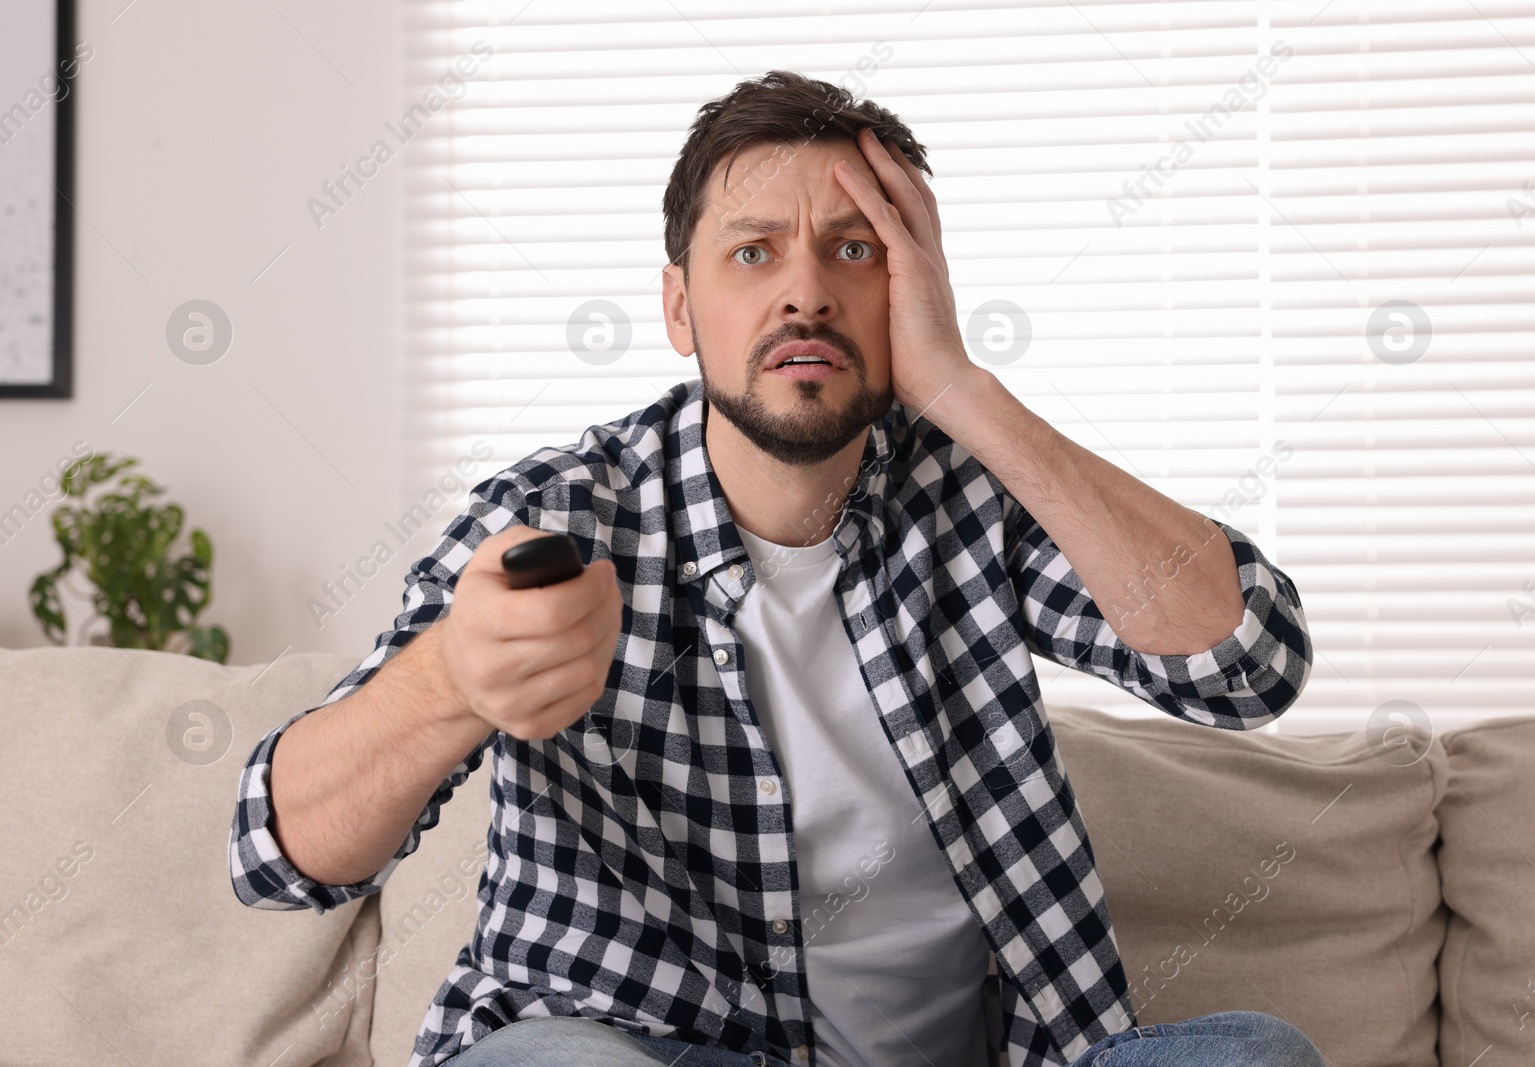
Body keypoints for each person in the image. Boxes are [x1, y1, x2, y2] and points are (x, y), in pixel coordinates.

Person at [229, 70, 1324, 1067]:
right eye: (753, 252)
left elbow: (1245, 665)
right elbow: (279, 856)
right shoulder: (560, 513)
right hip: (646, 1050)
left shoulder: (972, 494)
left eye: (854, 251)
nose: (805, 293)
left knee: (1255, 1055)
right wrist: (449, 680)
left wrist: (961, 390)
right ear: (678, 305)